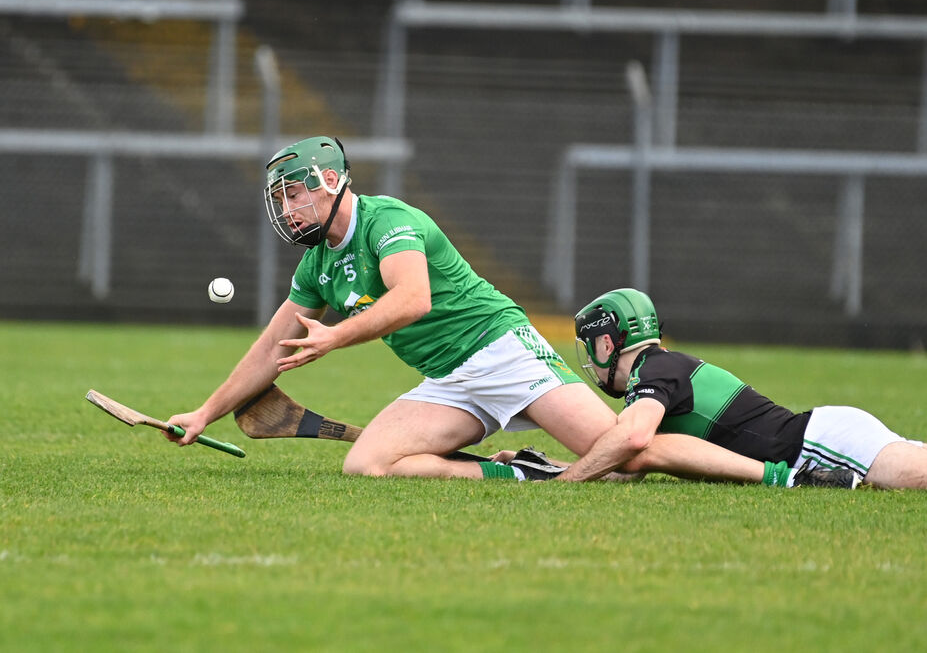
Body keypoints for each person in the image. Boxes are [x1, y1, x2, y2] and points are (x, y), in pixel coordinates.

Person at [164, 135, 620, 481]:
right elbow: (271, 349)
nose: (287, 211)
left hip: (500, 350)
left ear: (328, 182)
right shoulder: (315, 265)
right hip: (449, 379)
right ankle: (528, 473)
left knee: (624, 461)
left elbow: (413, 298)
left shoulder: (388, 221)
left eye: (293, 194)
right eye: (279, 201)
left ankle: (681, 417)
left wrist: (335, 337)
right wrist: (204, 414)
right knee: (368, 463)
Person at [553, 288, 927, 491]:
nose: (590, 360)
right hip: (832, 431)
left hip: (822, 445)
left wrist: (565, 484)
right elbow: (629, 461)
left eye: (591, 346)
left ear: (608, 342)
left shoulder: (654, 374)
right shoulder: (664, 372)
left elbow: (633, 443)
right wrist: (558, 465)